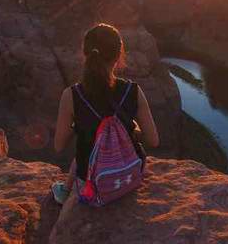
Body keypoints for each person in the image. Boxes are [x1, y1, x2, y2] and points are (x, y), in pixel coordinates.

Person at [51, 23, 160, 205]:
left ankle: (63, 192)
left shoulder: (71, 95)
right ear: (118, 55)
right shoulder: (133, 91)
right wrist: (128, 129)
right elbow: (154, 140)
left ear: (86, 55)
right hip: (129, 176)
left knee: (88, 146)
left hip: (91, 182)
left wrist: (78, 124)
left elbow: (58, 146)